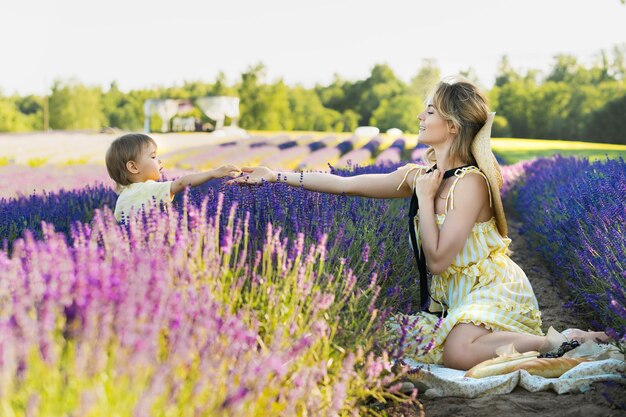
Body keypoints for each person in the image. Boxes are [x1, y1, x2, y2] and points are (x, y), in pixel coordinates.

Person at [227, 76, 610, 370]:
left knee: (458, 352)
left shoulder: (472, 183)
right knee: (389, 337)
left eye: (429, 111)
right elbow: (346, 185)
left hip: (491, 289)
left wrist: (425, 201)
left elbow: (440, 260)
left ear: (453, 125)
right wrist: (273, 176)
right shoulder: (419, 175)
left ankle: (556, 342)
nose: (419, 117)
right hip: (451, 299)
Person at [105, 133, 240, 223]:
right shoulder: (149, 188)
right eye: (153, 157)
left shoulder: (122, 199)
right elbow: (182, 183)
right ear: (133, 167)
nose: (158, 160)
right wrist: (212, 173)